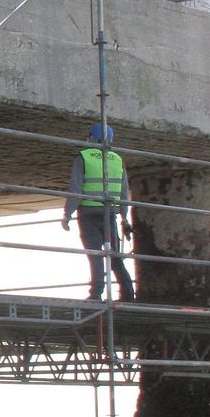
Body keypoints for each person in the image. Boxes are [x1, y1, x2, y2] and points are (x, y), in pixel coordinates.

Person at [62, 123, 136, 302]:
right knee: (114, 255)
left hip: (88, 213)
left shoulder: (84, 156)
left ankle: (96, 293)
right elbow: (124, 192)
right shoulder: (117, 159)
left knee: (95, 254)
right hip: (109, 213)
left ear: (92, 138)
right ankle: (128, 294)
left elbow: (76, 189)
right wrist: (124, 217)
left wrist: (67, 214)